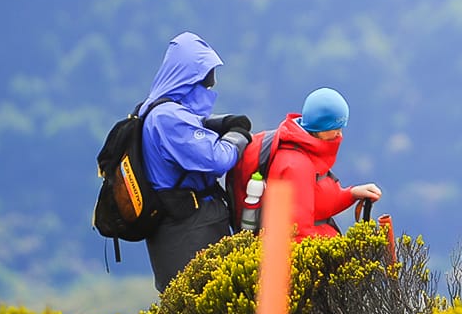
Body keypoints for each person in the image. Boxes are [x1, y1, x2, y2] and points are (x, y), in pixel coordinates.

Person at [140, 31, 253, 292]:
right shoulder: (169, 118)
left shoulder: (151, 108)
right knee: (209, 305)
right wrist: (238, 136)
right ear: (190, 79)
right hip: (190, 229)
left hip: (177, 228)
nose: (209, 89)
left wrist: (216, 122)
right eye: (206, 84)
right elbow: (218, 159)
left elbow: (193, 128)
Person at [228, 87, 382, 240]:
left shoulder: (306, 151)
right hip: (303, 260)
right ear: (320, 126)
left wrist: (352, 194)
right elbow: (297, 234)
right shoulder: (295, 166)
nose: (339, 134)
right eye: (335, 128)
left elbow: (317, 203)